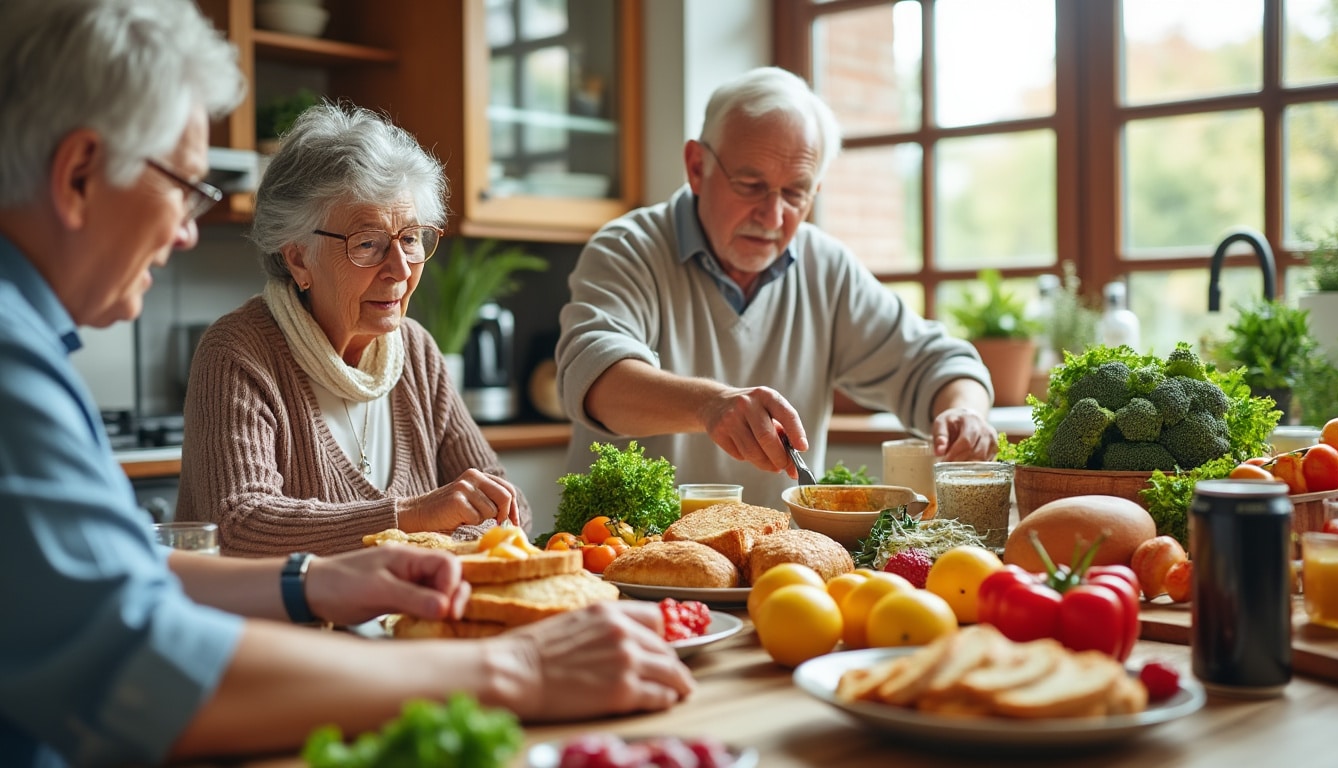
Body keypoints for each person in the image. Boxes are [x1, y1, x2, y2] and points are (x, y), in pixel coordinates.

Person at [0, 2, 693, 766]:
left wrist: (318, 581)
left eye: (412, 241)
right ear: (79, 175)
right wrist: (516, 669)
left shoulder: (30, 341)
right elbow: (143, 663)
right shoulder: (18, 362)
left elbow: (133, 570)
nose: (189, 229)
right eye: (183, 188)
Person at [556, 67, 998, 506]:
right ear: (697, 166)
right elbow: (595, 380)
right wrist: (710, 405)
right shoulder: (627, 249)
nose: (772, 216)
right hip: (620, 552)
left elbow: (935, 362)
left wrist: (963, 412)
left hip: (778, 562)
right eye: (751, 185)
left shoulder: (827, 268)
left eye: (795, 193)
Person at [176, 103, 530, 557]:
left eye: (409, 239)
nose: (400, 269)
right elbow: (242, 526)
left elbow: (506, 503)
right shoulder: (239, 353)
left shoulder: (416, 353)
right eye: (368, 243)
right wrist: (412, 517)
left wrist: (442, 529)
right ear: (299, 257)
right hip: (281, 626)